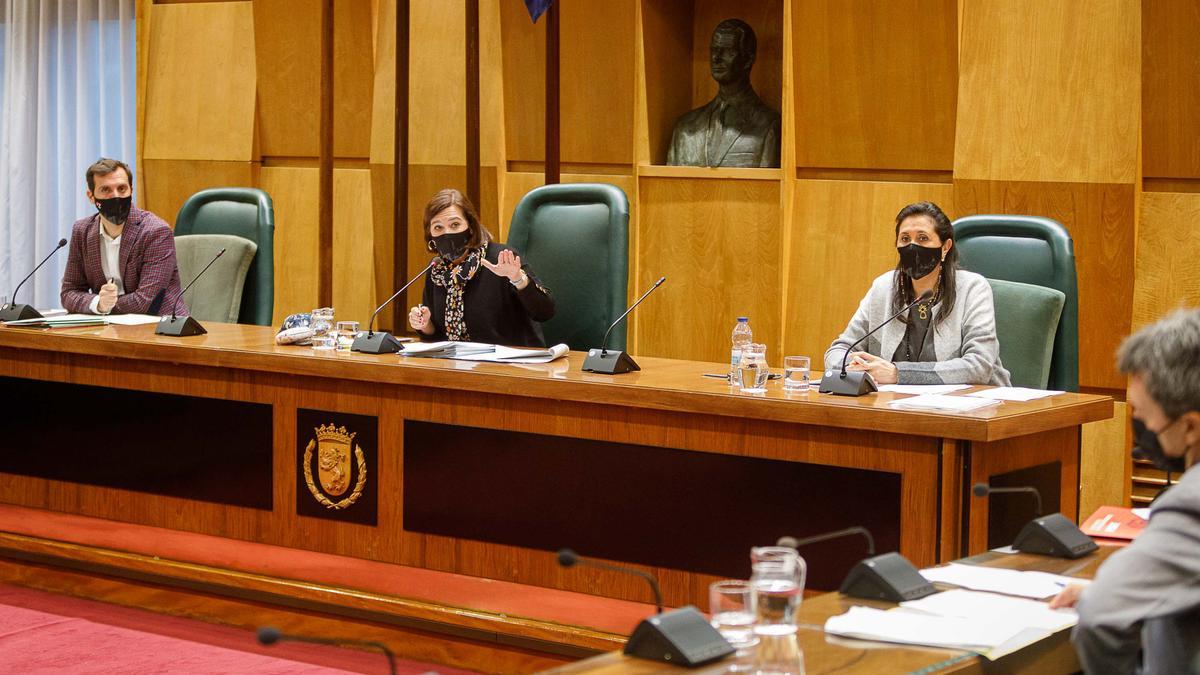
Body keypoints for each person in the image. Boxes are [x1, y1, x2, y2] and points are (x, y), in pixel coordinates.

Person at [1049, 308, 1200, 674]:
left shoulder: (1189, 506)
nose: (1143, 433)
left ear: (1191, 428)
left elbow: (1102, 616)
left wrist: (1109, 596)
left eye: (1147, 419)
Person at [823, 201, 1010, 386]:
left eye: (922, 238)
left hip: (976, 406)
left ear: (945, 247)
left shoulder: (972, 288)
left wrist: (898, 374)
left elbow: (979, 366)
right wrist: (857, 368)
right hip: (899, 406)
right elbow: (839, 350)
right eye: (905, 239)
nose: (912, 246)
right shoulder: (883, 287)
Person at [408, 189, 554, 347]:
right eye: (438, 228)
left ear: (470, 227)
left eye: (455, 225)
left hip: (509, 365)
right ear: (431, 236)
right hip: (456, 366)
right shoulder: (437, 271)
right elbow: (437, 340)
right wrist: (425, 324)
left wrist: (518, 278)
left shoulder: (501, 259)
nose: (447, 233)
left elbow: (545, 312)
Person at [60, 158, 187, 316]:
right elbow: (69, 292)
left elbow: (144, 301)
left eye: (122, 189)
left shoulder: (156, 232)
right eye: (106, 190)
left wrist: (104, 305)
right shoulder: (82, 231)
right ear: (91, 196)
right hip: (106, 328)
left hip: (158, 327)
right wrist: (98, 303)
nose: (116, 196)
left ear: (131, 190)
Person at [666, 18, 780, 168]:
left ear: (748, 59)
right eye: (714, 49)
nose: (716, 58)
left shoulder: (768, 126)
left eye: (729, 51)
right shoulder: (684, 128)